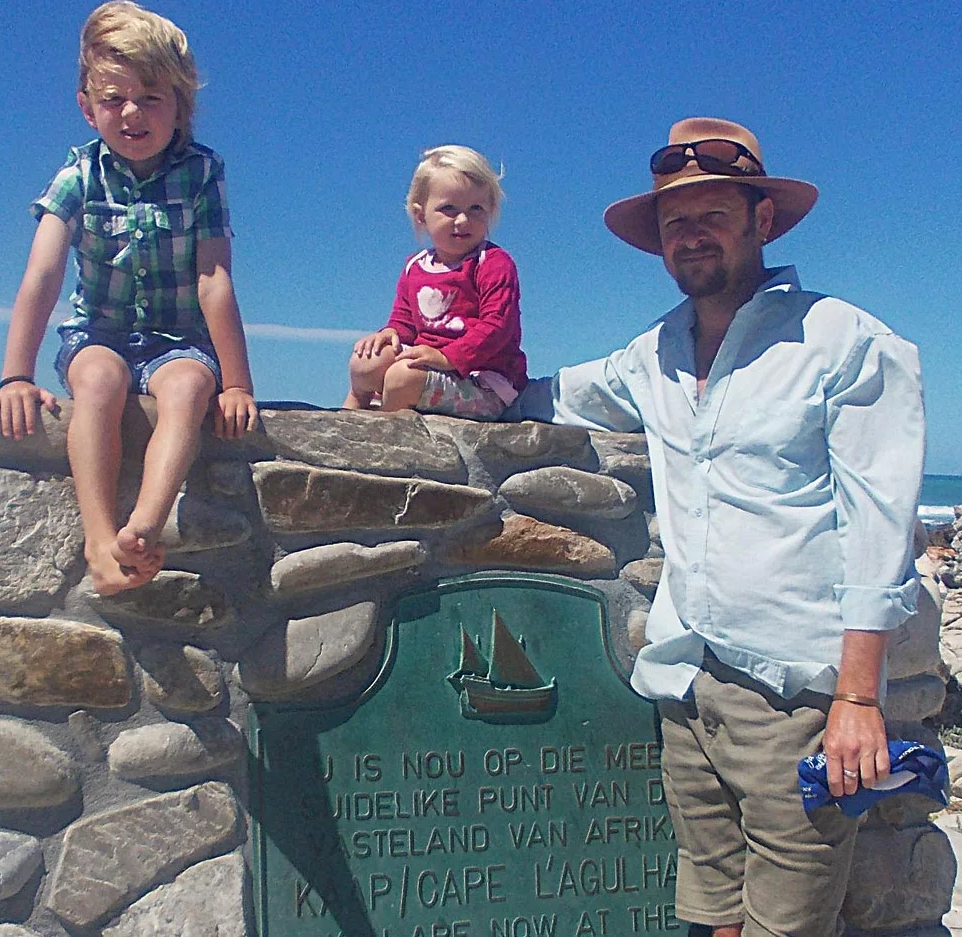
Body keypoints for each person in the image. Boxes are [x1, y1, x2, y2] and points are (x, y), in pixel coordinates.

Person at [515, 117, 925, 936]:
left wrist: (857, 695)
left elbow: (881, 527)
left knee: (788, 926)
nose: (691, 235)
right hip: (687, 680)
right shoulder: (654, 353)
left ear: (760, 221)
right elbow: (540, 398)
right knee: (711, 917)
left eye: (712, 216)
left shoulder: (843, 340)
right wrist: (414, 380)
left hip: (797, 699)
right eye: (676, 222)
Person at [0, 0, 257, 596]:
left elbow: (215, 280)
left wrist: (236, 383)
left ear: (181, 107)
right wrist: (15, 376)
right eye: (115, 99)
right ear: (88, 108)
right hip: (98, 335)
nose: (132, 112)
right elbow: (43, 275)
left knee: (190, 388)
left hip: (178, 341)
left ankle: (144, 528)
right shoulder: (79, 176)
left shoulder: (203, 174)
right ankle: (98, 537)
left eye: (152, 97)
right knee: (100, 383)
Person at [342, 146, 527, 421]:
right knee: (365, 362)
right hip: (430, 365)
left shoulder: (493, 263)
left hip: (484, 382)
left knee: (400, 379)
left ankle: (385, 427)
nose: (463, 220)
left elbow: (497, 328)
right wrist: (390, 332)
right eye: (449, 209)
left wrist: (449, 357)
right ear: (421, 215)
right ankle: (350, 411)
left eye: (476, 208)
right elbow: (404, 322)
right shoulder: (414, 266)